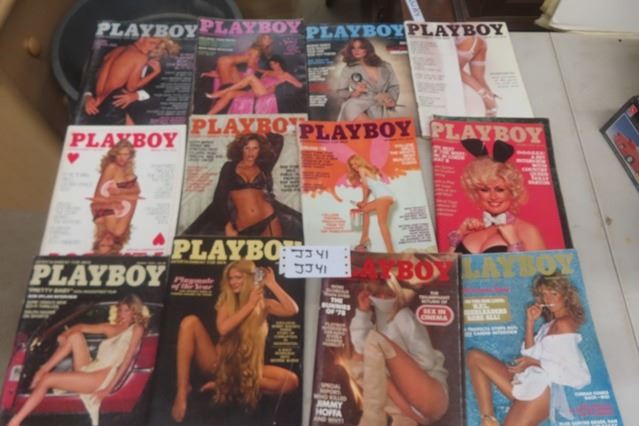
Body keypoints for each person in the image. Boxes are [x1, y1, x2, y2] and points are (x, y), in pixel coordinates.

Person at [170, 260, 299, 423]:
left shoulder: (265, 305)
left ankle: (228, 386)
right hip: (219, 364)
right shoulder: (226, 302)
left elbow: (292, 309)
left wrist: (272, 284)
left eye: (238, 277)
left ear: (250, 278)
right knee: (189, 322)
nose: (233, 282)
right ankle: (182, 391)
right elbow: (223, 328)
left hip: (247, 368)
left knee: (291, 381)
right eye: (230, 278)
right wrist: (249, 305)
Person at [466, 274, 591, 425]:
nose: (548, 299)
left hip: (541, 391)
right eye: (544, 294)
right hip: (528, 381)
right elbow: (530, 354)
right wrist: (530, 322)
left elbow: (578, 377)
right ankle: (488, 420)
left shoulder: (564, 325)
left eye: (553, 293)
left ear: (565, 295)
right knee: (474, 357)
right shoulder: (549, 325)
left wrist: (533, 363)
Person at [8, 295, 148, 426]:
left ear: (134, 312)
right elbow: (81, 326)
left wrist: (108, 389)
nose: (122, 313)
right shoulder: (110, 327)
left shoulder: (137, 329)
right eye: (120, 310)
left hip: (101, 377)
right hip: (92, 367)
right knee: (75, 336)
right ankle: (42, 369)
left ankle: (14, 422)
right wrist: (64, 334)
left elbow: (127, 360)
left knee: (47, 379)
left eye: (126, 310)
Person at [349, 275, 449, 426]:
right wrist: (363, 311)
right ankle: (406, 417)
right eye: (378, 294)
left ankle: (373, 418)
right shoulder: (378, 325)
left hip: (431, 392)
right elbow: (361, 348)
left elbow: (427, 360)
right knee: (358, 363)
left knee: (374, 345)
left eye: (389, 294)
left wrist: (396, 367)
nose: (383, 298)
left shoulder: (403, 316)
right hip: (407, 402)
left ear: (397, 294)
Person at [448, 139, 545, 254]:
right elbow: (447, 265)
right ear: (476, 192)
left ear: (512, 191)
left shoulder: (527, 231)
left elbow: (542, 266)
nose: (493, 197)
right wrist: (459, 234)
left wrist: (514, 242)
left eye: (500, 190)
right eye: (484, 190)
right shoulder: (472, 230)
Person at [185, 132, 290, 237]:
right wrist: (227, 226)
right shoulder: (229, 167)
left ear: (260, 150)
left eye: (255, 148)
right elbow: (219, 198)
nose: (251, 152)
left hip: (269, 220)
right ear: (240, 149)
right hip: (244, 226)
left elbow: (278, 140)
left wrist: (260, 133)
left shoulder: (264, 166)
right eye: (247, 148)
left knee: (277, 248)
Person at [81, 37, 179, 125]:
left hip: (94, 106)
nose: (154, 48)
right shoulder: (140, 57)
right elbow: (131, 87)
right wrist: (155, 73)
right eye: (152, 43)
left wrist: (88, 96)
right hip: (109, 108)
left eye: (157, 45)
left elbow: (95, 77)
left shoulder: (116, 50)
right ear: (141, 38)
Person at [89, 139, 141, 254]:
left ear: (98, 242)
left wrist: (117, 195)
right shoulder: (119, 230)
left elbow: (97, 198)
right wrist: (123, 193)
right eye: (109, 245)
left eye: (103, 244)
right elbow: (135, 196)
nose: (107, 241)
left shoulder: (99, 219)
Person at [204, 55, 303, 114]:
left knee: (251, 78)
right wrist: (215, 74)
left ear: (280, 63)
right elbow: (248, 72)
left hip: (265, 92)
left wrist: (286, 82)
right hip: (253, 91)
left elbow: (299, 85)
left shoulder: (285, 74)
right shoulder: (267, 72)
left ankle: (220, 92)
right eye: (271, 64)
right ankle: (207, 116)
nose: (273, 66)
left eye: (275, 63)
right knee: (230, 94)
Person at [336, 38, 399, 121]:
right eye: (353, 48)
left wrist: (391, 99)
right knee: (352, 108)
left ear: (367, 49)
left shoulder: (386, 66)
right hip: (356, 105)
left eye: (360, 47)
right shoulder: (348, 69)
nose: (356, 51)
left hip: (380, 104)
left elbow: (394, 86)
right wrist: (355, 92)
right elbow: (341, 92)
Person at [200, 34, 273, 105]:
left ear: (271, 41)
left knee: (229, 82)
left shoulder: (257, 49)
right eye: (265, 38)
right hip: (227, 62)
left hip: (226, 62)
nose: (267, 40)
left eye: (269, 39)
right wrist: (260, 70)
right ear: (260, 39)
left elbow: (247, 62)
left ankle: (218, 93)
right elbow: (250, 64)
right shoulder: (257, 50)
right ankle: (219, 94)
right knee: (227, 86)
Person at [348, 154, 396, 253]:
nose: (353, 166)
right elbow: (370, 188)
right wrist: (364, 202)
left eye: (355, 163)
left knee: (382, 224)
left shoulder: (361, 169)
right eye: (351, 165)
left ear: (359, 162)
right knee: (365, 210)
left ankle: (391, 252)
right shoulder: (368, 171)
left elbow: (365, 186)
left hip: (383, 197)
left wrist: (364, 201)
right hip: (384, 196)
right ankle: (365, 238)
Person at [455, 35, 498, 117]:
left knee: (455, 69)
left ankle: (485, 94)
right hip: (481, 40)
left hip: (466, 39)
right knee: (479, 78)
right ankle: (491, 111)